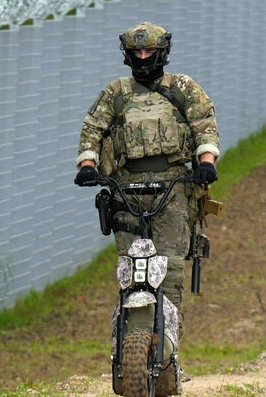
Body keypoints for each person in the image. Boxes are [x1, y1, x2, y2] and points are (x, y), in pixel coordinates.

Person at [74, 21, 220, 359]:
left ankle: (170, 348)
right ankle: (127, 339)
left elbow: (204, 125)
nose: (142, 57)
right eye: (136, 52)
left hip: (173, 186)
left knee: (169, 267)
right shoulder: (117, 93)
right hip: (127, 189)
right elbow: (92, 128)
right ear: (126, 54)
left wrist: (206, 163)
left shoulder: (183, 87)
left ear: (162, 52)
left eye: (148, 51)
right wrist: (88, 167)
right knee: (130, 265)